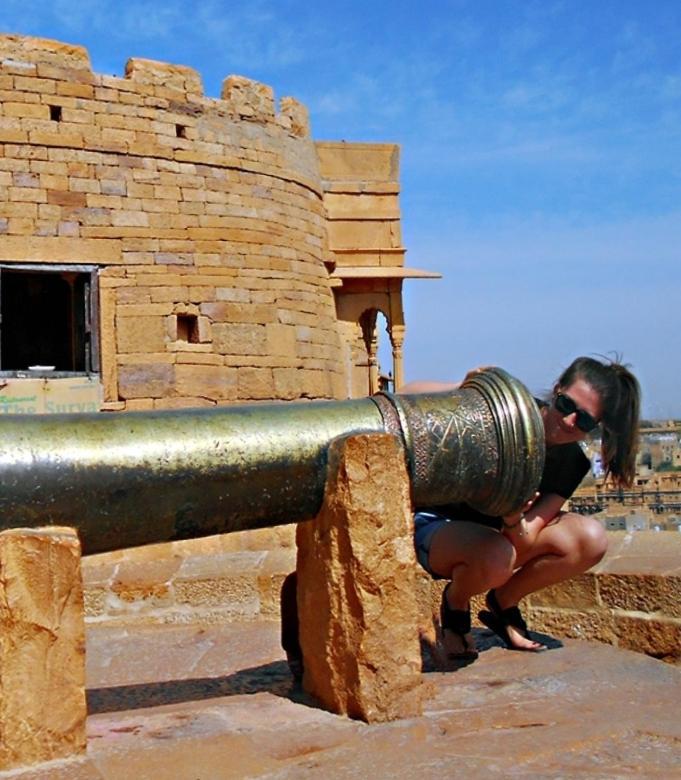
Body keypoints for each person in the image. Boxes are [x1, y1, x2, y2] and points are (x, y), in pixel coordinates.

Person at [406, 356, 640, 658]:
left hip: (494, 538)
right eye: (566, 406)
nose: (569, 421)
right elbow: (407, 391)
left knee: (590, 539)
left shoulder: (572, 463)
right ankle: (456, 604)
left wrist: (514, 516)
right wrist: (462, 388)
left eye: (583, 420)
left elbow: (525, 536)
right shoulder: (509, 410)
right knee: (496, 555)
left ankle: (505, 601)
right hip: (436, 523)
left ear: (594, 427)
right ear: (556, 391)